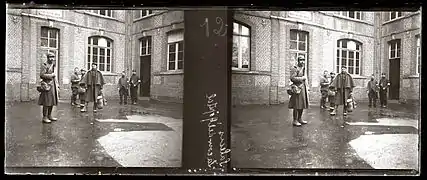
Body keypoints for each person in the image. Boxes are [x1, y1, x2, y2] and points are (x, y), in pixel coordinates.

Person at [38, 52, 59, 123]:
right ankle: (44, 117)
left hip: (53, 86)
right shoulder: (44, 65)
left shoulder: (53, 65)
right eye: (50, 57)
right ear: (47, 58)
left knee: (52, 101)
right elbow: (42, 75)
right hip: (46, 86)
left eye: (53, 57)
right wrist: (51, 75)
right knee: (46, 102)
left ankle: (49, 115)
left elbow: (55, 76)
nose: (52, 58)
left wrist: (57, 84)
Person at [288, 56, 309, 126]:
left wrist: (307, 87)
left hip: (303, 88)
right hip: (297, 88)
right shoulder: (295, 68)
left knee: (302, 104)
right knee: (296, 105)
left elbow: (305, 79)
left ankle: (300, 118)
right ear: (298, 61)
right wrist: (301, 78)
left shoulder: (304, 68)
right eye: (301, 60)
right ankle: (295, 120)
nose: (302, 62)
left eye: (303, 60)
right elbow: (292, 78)